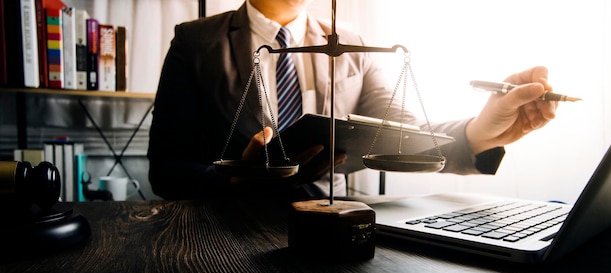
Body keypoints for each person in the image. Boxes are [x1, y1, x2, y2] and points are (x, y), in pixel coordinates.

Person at [147, 0, 557, 200]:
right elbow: (166, 170)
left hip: (330, 230)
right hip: (228, 236)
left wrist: (480, 132)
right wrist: (232, 180)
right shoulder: (196, 42)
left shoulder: (354, 46)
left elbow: (403, 135)